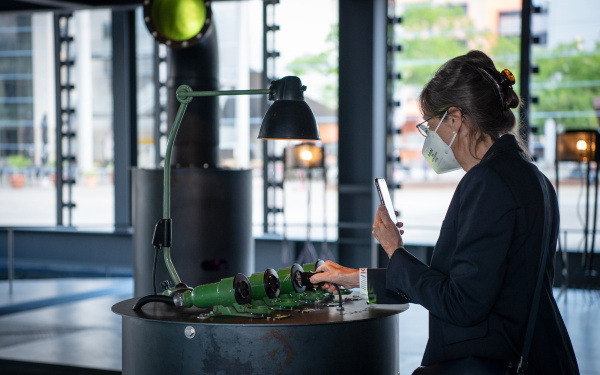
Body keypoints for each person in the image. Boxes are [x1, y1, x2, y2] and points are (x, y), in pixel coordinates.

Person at [310, 50, 579, 374]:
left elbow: (460, 303)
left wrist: (394, 249)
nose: (429, 139)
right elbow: (466, 284)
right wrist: (354, 278)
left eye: (429, 126)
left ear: (455, 119)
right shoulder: (532, 177)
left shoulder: (488, 183)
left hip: (493, 361)